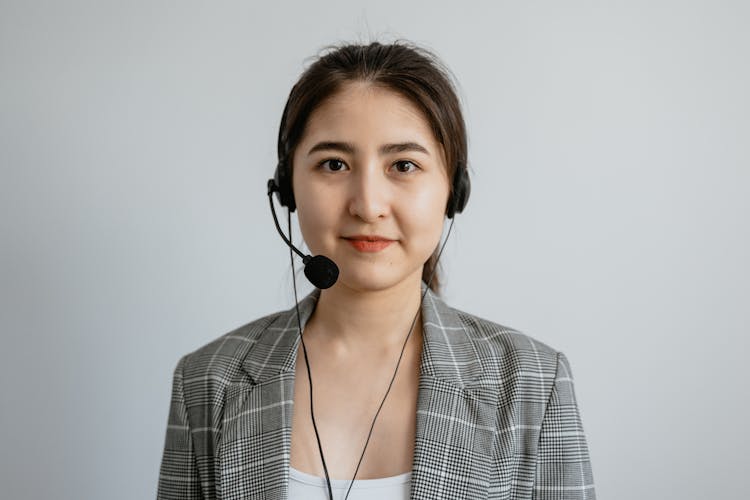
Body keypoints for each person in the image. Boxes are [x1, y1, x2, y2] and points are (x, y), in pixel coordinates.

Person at [157, 41, 595, 500]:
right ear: (287, 189)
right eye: (334, 164)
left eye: (403, 165)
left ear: (454, 191)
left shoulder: (533, 383)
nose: (367, 205)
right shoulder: (207, 381)